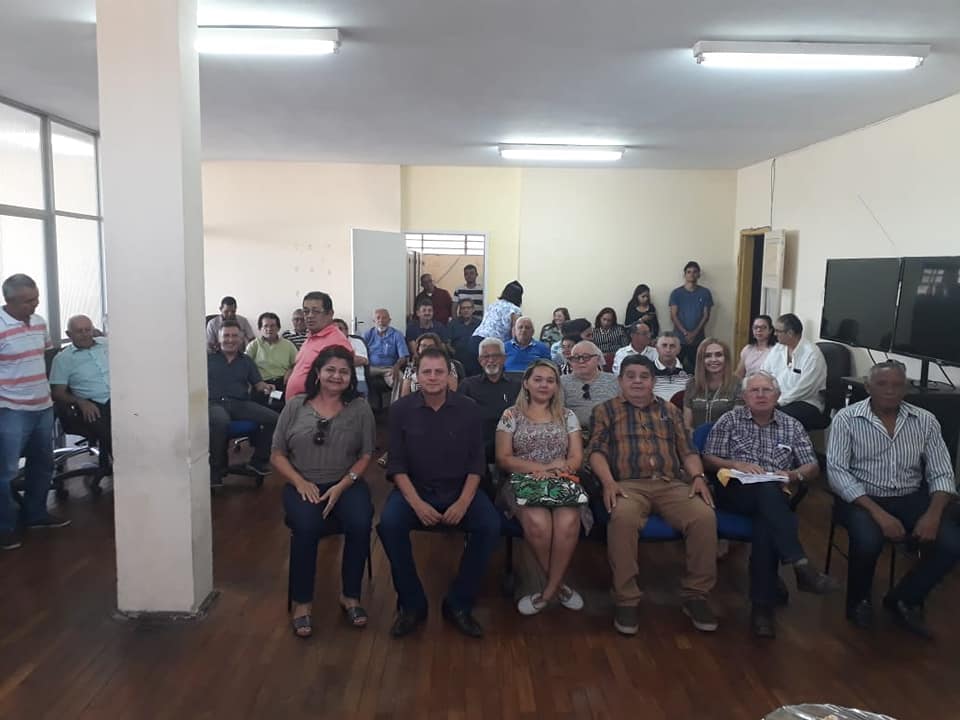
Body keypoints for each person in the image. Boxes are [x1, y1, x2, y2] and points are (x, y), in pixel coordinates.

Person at [827, 360, 960, 638]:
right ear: (868, 387)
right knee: (868, 540)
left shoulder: (925, 420)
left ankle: (905, 598)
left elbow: (942, 472)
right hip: (862, 498)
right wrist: (879, 514)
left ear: (906, 388)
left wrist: (933, 514)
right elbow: (837, 473)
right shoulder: (847, 419)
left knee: (951, 544)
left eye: (897, 385)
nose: (890, 390)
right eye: (882, 384)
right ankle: (859, 601)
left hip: (909, 495)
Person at [588, 354, 718, 635]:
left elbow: (687, 451)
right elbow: (596, 452)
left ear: (653, 381)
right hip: (627, 485)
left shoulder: (670, 411)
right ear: (620, 381)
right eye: (630, 376)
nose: (637, 381)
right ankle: (626, 599)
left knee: (704, 516)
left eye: (644, 376)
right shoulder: (605, 411)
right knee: (622, 518)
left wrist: (698, 477)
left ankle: (696, 596)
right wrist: (608, 482)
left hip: (671, 483)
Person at [703, 371, 838, 638]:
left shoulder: (792, 425)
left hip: (775, 492)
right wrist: (735, 464)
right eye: (754, 390)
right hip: (735, 491)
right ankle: (799, 566)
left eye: (767, 390)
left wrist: (793, 475)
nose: (761, 395)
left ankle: (762, 609)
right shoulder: (729, 420)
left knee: (766, 524)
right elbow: (708, 457)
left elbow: (811, 465)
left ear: (777, 396)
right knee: (768, 496)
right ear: (744, 396)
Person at [378, 348, 501, 638]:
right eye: (426, 372)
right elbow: (397, 465)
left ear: (449, 375)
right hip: (415, 489)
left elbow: (476, 462)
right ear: (417, 376)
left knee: (490, 526)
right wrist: (417, 504)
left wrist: (463, 502)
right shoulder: (400, 410)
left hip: (460, 489)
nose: (432, 377)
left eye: (439, 372)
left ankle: (459, 603)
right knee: (389, 525)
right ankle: (412, 604)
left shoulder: (469, 409)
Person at [272, 346, 376, 638]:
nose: (337, 376)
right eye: (330, 370)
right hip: (302, 483)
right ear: (318, 373)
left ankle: (350, 596)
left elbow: (366, 454)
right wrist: (299, 482)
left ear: (351, 377)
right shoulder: (295, 405)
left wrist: (343, 484)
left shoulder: (360, 408)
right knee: (307, 526)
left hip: (346, 482)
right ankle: (302, 602)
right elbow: (277, 453)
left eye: (344, 371)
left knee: (360, 522)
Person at [495, 360, 585, 615]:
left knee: (568, 521)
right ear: (526, 383)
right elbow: (503, 458)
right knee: (538, 522)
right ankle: (560, 587)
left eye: (550, 380)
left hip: (561, 480)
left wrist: (556, 471)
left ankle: (547, 592)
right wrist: (542, 468)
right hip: (523, 481)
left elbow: (576, 458)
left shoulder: (568, 416)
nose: (544, 385)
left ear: (557, 386)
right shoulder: (511, 415)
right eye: (538, 379)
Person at [1, 274, 70, 551]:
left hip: (42, 406)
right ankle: (5, 527)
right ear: (10, 301)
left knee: (42, 464)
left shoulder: (39, 322)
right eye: (28, 301)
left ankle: (36, 514)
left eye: (36, 298)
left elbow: (44, 357)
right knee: (5, 472)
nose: (35, 304)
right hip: (11, 409)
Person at [208, 321, 280, 486]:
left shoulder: (246, 360)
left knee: (275, 419)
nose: (230, 339)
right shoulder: (207, 359)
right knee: (221, 421)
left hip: (239, 403)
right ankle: (215, 470)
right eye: (226, 336)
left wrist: (266, 387)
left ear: (241, 339)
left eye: (235, 336)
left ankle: (258, 461)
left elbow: (258, 384)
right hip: (214, 404)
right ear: (218, 338)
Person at [50, 314, 113, 463]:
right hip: (93, 404)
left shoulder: (106, 344)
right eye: (79, 331)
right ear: (69, 334)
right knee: (114, 436)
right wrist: (80, 401)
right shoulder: (63, 359)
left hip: (120, 398)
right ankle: (123, 470)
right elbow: (57, 393)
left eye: (88, 330)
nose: (85, 334)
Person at [459, 338, 521, 464]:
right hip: (477, 450)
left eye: (495, 356)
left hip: (512, 448)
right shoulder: (468, 385)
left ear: (504, 358)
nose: (491, 360)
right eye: (486, 356)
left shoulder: (517, 386)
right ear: (479, 360)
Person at [761, 313, 827, 429]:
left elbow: (804, 389)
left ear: (790, 333)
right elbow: (764, 373)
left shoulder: (812, 354)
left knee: (775, 417)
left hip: (805, 402)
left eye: (778, 331)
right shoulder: (778, 348)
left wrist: (778, 402)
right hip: (778, 399)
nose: (774, 334)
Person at [285, 292, 354, 399]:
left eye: (316, 311)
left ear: (330, 314)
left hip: (314, 404)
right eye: (306, 311)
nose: (309, 316)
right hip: (297, 403)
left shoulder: (336, 342)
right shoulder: (311, 336)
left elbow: (338, 383)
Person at [683, 338, 741, 429]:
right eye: (707, 356)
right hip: (696, 436)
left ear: (726, 358)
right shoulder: (692, 384)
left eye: (719, 355)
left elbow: (737, 423)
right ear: (701, 360)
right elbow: (687, 425)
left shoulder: (737, 384)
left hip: (727, 436)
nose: (713, 359)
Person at [560, 341, 620, 430]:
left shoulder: (614, 381)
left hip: (610, 431)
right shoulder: (561, 382)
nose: (581, 361)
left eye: (586, 357)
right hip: (573, 432)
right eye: (576, 358)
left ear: (598, 359)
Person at [669, 261, 713, 371]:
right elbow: (673, 315)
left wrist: (694, 333)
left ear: (699, 275)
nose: (691, 274)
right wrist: (685, 333)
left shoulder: (705, 293)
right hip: (679, 339)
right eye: (689, 272)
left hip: (698, 339)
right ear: (684, 275)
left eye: (694, 272)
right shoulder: (676, 293)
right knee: (675, 369)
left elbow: (706, 316)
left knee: (698, 370)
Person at [245, 312, 298, 393]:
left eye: (272, 326)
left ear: (278, 328)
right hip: (261, 384)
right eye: (265, 326)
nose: (269, 329)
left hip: (283, 382)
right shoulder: (254, 345)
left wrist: (291, 370)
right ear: (260, 328)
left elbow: (297, 363)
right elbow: (245, 364)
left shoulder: (288, 345)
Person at [471, 280, 523, 360]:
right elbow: (516, 332)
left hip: (475, 339)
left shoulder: (493, 304)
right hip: (491, 344)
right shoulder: (515, 310)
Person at [400, 333, 459, 397]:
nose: (427, 349)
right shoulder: (410, 367)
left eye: (431, 346)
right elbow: (404, 395)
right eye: (424, 346)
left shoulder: (448, 365)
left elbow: (452, 391)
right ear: (418, 349)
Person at [362, 308, 408, 389]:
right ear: (374, 321)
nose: (381, 321)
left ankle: (396, 398)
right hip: (371, 368)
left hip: (389, 368)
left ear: (389, 320)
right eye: (378, 318)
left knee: (399, 378)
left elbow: (403, 357)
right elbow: (361, 353)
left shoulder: (397, 335)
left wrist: (397, 366)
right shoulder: (367, 334)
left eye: (384, 318)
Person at [333, 319, 369, 395]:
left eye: (340, 329)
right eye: (334, 329)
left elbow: (362, 360)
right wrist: (349, 358)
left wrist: (335, 360)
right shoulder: (327, 343)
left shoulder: (357, 342)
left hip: (357, 378)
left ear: (346, 331)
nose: (337, 331)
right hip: (334, 379)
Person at [652, 332, 691, 403]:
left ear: (679, 349)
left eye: (672, 346)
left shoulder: (690, 371)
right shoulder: (648, 370)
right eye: (664, 345)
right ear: (657, 348)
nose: (668, 350)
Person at [448, 299, 481, 376]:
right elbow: (447, 343)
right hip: (458, 362)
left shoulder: (479, 324)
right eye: (463, 308)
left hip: (475, 362)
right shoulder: (453, 324)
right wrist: (454, 353)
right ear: (460, 310)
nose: (466, 310)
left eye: (468, 308)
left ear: (473, 309)